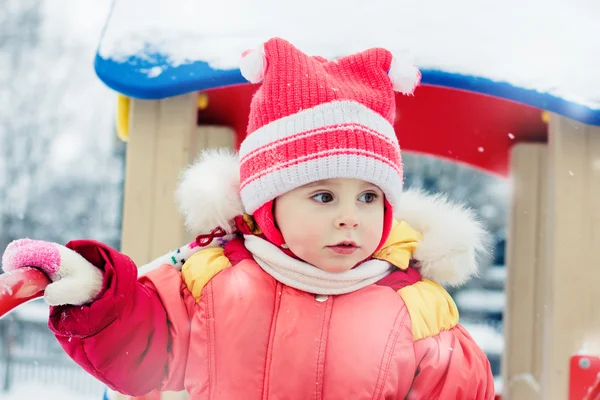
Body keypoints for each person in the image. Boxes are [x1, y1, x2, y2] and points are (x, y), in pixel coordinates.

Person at [2, 37, 495, 399]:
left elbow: (457, 388)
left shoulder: (417, 306)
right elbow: (146, 350)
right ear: (268, 206)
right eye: (323, 197)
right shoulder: (211, 279)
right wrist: (96, 294)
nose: (350, 218)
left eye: (369, 198)